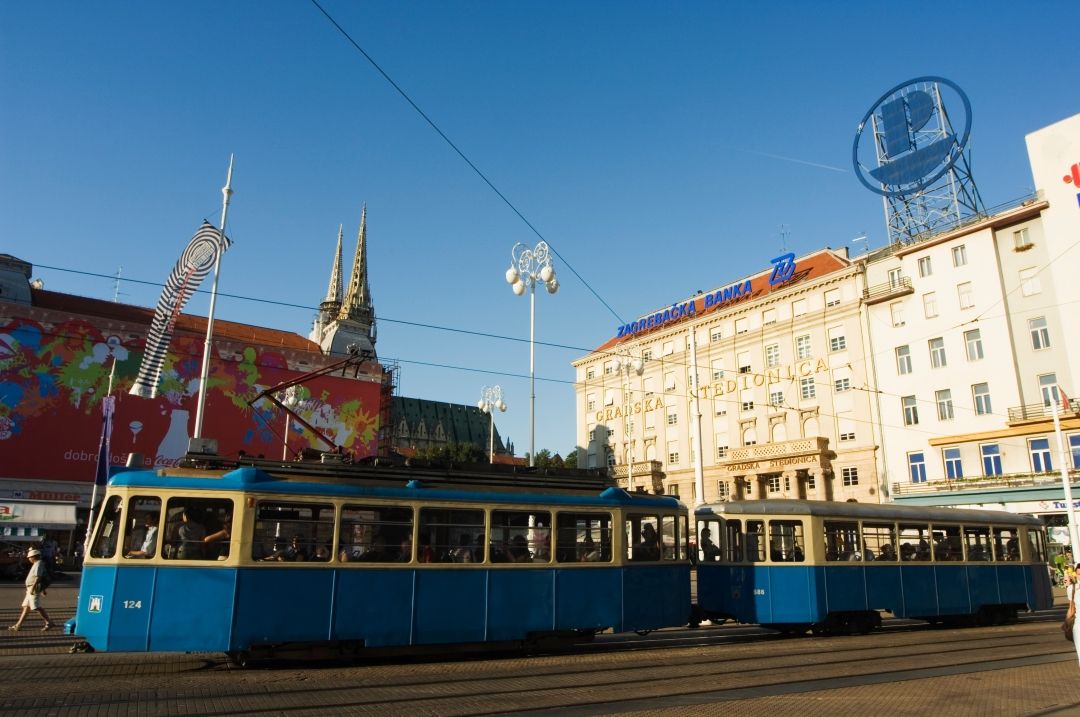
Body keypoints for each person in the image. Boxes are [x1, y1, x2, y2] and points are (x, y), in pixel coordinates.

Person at [7, 548, 55, 632]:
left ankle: (49, 622)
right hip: (31, 588)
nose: (28, 559)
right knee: (26, 607)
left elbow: (38, 577)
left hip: (33, 588)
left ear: (33, 557)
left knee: (36, 607)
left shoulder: (39, 563)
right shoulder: (37, 563)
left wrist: (33, 588)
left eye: (29, 557)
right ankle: (18, 626)